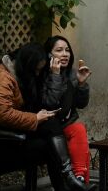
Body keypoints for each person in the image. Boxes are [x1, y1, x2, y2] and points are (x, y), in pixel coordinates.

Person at [0, 43, 89, 191]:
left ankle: (68, 181)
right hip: (0, 140)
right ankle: (67, 181)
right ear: (27, 65)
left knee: (53, 132)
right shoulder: (1, 78)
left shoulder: (22, 75)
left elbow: (73, 103)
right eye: (36, 70)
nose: (38, 74)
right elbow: (3, 115)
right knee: (51, 141)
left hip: (19, 132)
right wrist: (35, 118)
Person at [41, 36, 92, 186]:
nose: (65, 54)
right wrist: (55, 75)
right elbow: (49, 103)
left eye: (67, 50)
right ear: (49, 55)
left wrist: (82, 84)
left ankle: (80, 178)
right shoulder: (43, 75)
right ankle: (79, 182)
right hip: (47, 127)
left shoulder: (71, 73)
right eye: (59, 50)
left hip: (65, 125)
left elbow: (81, 104)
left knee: (79, 129)